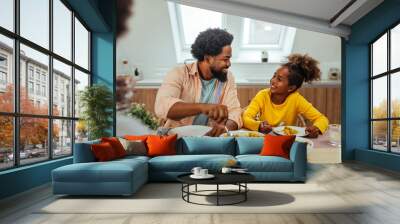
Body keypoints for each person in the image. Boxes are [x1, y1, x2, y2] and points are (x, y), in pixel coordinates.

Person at [155, 28, 242, 137]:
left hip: (208, 141)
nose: (229, 64)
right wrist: (203, 107)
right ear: (208, 58)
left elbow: (235, 112)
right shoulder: (179, 73)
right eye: (225, 59)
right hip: (176, 140)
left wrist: (225, 128)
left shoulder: (228, 77)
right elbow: (162, 106)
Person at [242, 54, 329, 138]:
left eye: (279, 79)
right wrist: (259, 125)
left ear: (291, 88)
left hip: (286, 143)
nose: (273, 80)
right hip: (265, 140)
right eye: (274, 76)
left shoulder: (296, 99)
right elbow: (246, 117)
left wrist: (316, 128)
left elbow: (322, 119)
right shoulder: (263, 95)